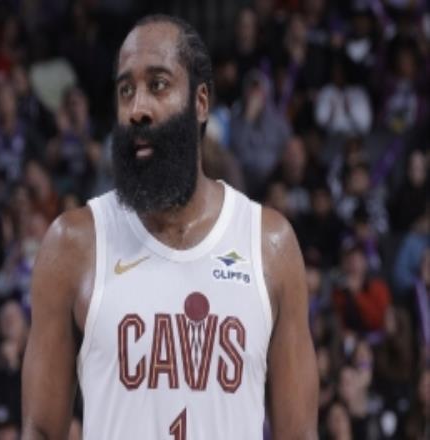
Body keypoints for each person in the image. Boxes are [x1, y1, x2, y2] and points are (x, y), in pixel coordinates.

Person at [22, 14, 318, 439]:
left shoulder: (269, 244)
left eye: (158, 85)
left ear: (200, 102)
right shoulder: (73, 243)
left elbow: (299, 435)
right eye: (126, 90)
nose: (137, 108)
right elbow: (40, 431)